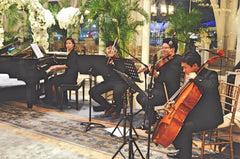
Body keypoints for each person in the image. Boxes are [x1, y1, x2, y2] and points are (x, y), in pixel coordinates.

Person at [167, 50, 223, 159]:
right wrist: (176, 102)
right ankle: (181, 150)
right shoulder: (193, 78)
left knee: (185, 126)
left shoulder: (211, 75)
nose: (184, 71)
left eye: (185, 68)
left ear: (195, 65)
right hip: (197, 114)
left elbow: (211, 87)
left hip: (210, 117)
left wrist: (196, 78)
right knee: (174, 122)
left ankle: (185, 155)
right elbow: (188, 97)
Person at [136, 38, 182, 125]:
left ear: (173, 49)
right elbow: (156, 69)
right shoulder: (164, 60)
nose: (163, 50)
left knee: (146, 100)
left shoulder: (177, 61)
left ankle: (153, 122)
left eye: (166, 48)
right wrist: (146, 70)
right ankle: (155, 118)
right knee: (139, 96)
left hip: (167, 92)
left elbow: (170, 80)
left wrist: (156, 75)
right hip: (157, 89)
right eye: (162, 48)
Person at [89, 41, 129, 119]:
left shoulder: (121, 60)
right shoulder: (104, 61)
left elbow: (125, 73)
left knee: (117, 91)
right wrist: (92, 69)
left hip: (120, 82)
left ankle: (117, 111)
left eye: (112, 48)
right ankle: (108, 107)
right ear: (106, 50)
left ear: (116, 51)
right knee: (92, 91)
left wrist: (116, 65)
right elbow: (97, 72)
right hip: (109, 82)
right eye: (108, 48)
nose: (110, 50)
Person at [44, 37, 78, 104]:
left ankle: (56, 100)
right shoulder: (71, 53)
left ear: (73, 44)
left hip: (70, 77)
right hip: (69, 75)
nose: (67, 45)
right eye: (66, 43)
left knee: (52, 80)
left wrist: (55, 67)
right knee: (52, 79)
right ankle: (61, 99)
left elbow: (67, 65)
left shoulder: (73, 54)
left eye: (69, 43)